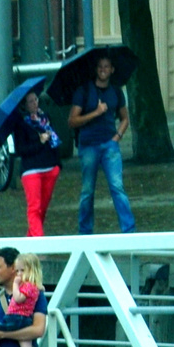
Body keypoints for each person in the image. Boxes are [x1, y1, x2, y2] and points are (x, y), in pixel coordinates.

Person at [69, 54, 135, 235]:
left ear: (112, 70)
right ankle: (85, 232)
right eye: (100, 67)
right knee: (87, 191)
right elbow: (72, 120)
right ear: (96, 69)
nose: (103, 70)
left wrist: (117, 137)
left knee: (117, 187)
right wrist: (96, 112)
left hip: (109, 146)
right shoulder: (84, 91)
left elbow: (125, 118)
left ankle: (129, 231)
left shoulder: (116, 92)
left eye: (107, 67)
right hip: (88, 146)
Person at [13, 90, 62, 236]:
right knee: (34, 208)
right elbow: (21, 150)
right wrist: (40, 142)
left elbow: (54, 141)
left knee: (42, 209)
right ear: (25, 105)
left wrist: (57, 165)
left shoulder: (45, 118)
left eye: (36, 100)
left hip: (50, 167)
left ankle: (31, 240)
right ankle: (40, 244)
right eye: (31, 101)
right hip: (31, 170)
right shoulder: (21, 124)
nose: (35, 103)